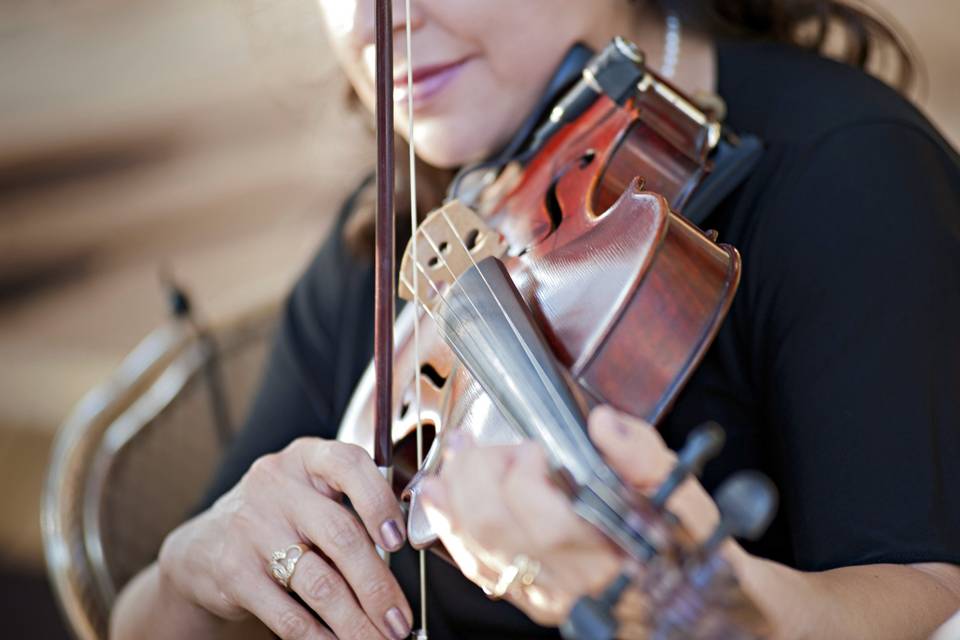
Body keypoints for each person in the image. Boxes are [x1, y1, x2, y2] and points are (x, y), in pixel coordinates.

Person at [110, 1, 960, 638]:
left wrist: (724, 612)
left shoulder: (849, 176)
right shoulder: (403, 220)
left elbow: (932, 600)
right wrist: (196, 569)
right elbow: (141, 621)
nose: (379, 25)